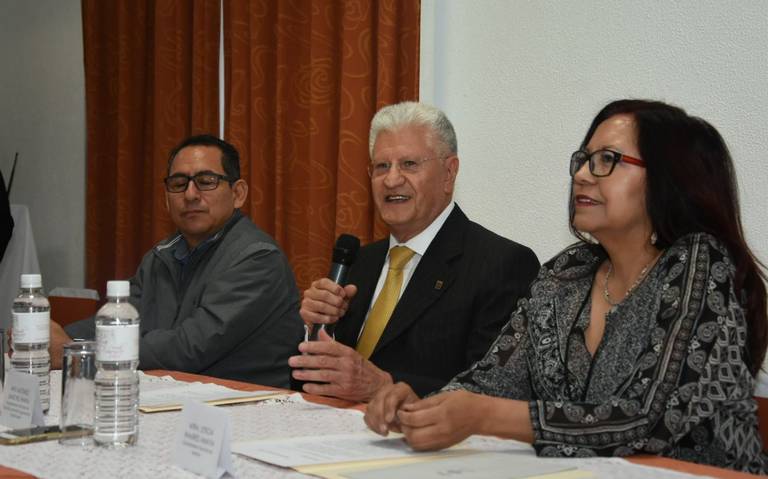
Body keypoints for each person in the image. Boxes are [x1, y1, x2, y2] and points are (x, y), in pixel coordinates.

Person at [364, 100, 768, 474]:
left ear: (669, 179)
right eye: (583, 160)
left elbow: (649, 418)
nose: (580, 175)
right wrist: (420, 404)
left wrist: (483, 415)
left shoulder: (700, 263)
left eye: (607, 161)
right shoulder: (567, 272)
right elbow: (490, 381)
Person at [289, 102, 540, 401]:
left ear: (449, 173)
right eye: (381, 166)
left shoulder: (502, 264)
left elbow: (493, 392)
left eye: (409, 164)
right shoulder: (360, 262)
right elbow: (310, 381)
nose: (392, 179)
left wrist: (384, 387)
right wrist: (316, 330)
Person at [52, 135, 304, 387]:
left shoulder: (257, 258)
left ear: (238, 194)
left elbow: (189, 348)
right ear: (166, 198)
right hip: (176, 396)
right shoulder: (162, 255)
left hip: (245, 407)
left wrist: (75, 351)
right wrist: (52, 338)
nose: (190, 194)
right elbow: (121, 320)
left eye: (206, 182)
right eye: (178, 184)